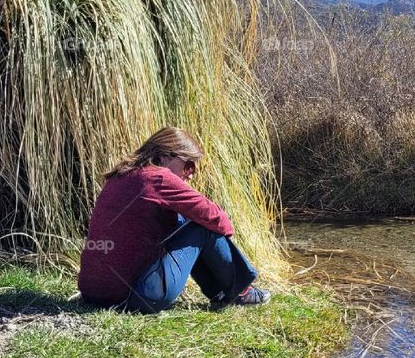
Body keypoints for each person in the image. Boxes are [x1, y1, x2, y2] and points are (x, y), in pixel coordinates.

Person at [78, 126, 271, 314]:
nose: (191, 174)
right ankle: (240, 292)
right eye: (189, 165)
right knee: (202, 226)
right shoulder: (159, 178)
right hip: (137, 297)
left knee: (185, 219)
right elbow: (220, 221)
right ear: (164, 156)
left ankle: (222, 293)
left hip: (92, 292)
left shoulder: (119, 176)